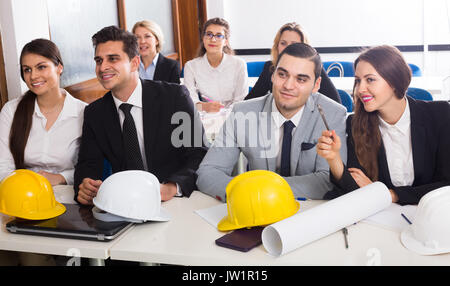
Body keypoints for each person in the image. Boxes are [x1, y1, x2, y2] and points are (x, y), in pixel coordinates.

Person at [74, 26, 208, 205]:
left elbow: (198, 153)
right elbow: (87, 164)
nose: (102, 67)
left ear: (134, 63)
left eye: (113, 59)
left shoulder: (174, 97)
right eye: (99, 60)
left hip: (177, 199)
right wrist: (85, 186)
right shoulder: (95, 113)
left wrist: (172, 186)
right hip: (128, 203)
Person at [196, 43, 347, 201]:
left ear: (316, 85)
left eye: (301, 79)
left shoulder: (333, 114)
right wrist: (242, 193)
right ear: (273, 75)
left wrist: (264, 190)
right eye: (282, 75)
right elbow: (208, 171)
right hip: (255, 210)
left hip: (310, 212)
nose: (288, 86)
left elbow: (328, 180)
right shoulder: (242, 112)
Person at [316, 45, 450, 205]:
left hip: (434, 216)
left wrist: (391, 194)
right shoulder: (355, 124)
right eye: (358, 81)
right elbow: (355, 189)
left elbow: (446, 185)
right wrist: (334, 159)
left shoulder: (440, 114)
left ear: (395, 81)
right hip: (384, 220)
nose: (360, 89)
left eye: (370, 79)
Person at [0, 39, 86, 186]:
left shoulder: (84, 112)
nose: (33, 76)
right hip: (22, 194)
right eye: (27, 69)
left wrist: (61, 177)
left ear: (59, 67)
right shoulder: (11, 111)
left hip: (68, 196)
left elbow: (91, 168)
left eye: (41, 67)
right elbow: (3, 166)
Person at [245, 22, 341, 104]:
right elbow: (249, 102)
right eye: (283, 43)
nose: (287, 48)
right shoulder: (270, 67)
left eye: (294, 44)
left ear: (304, 47)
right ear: (277, 46)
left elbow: (336, 104)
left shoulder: (314, 69)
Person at [183, 17, 248, 113]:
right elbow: (190, 102)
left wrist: (224, 113)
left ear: (226, 41)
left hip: (233, 115)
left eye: (219, 36)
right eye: (209, 34)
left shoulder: (239, 64)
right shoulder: (191, 66)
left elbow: (241, 100)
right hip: (204, 115)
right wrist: (204, 107)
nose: (213, 39)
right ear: (203, 38)